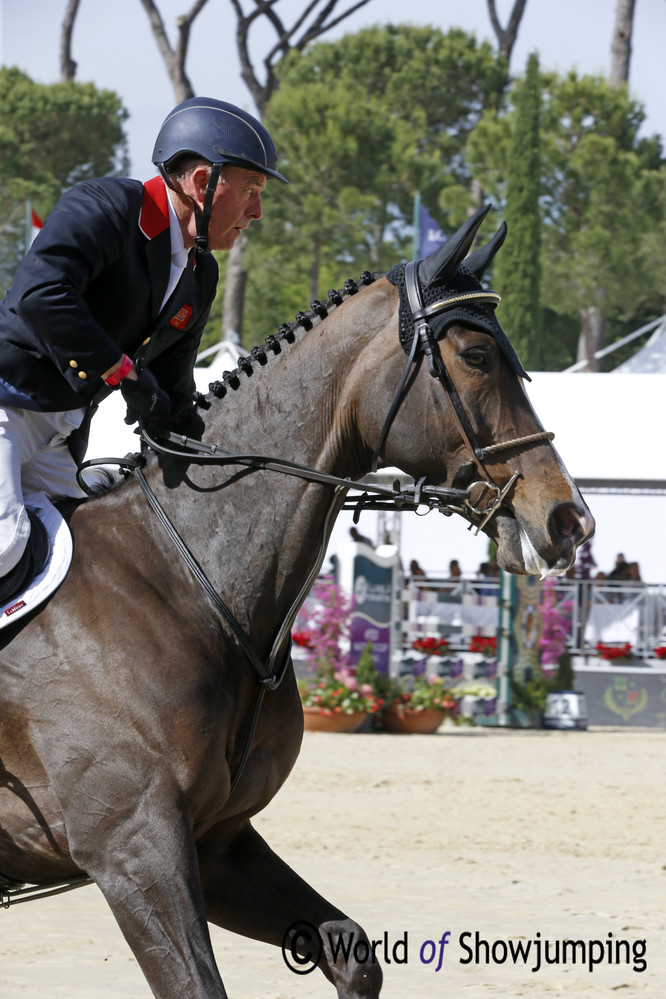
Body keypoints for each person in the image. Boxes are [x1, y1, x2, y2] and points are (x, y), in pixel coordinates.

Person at [0, 96, 288, 605]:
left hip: (59, 437)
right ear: (203, 183)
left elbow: (174, 388)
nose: (257, 212)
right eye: (250, 191)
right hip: (8, 406)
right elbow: (40, 295)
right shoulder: (107, 207)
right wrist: (123, 374)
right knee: (4, 547)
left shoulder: (201, 275)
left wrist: (222, 456)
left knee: (90, 569)